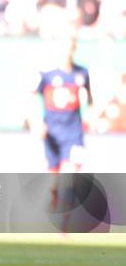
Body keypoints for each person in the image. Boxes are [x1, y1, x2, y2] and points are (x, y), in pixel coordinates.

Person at [29, 32, 92, 173]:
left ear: (74, 48)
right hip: (52, 134)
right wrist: (36, 122)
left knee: (70, 176)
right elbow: (32, 98)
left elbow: (90, 100)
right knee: (53, 180)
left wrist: (90, 118)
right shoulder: (46, 74)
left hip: (74, 134)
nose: (66, 51)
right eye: (63, 47)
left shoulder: (81, 73)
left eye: (69, 47)